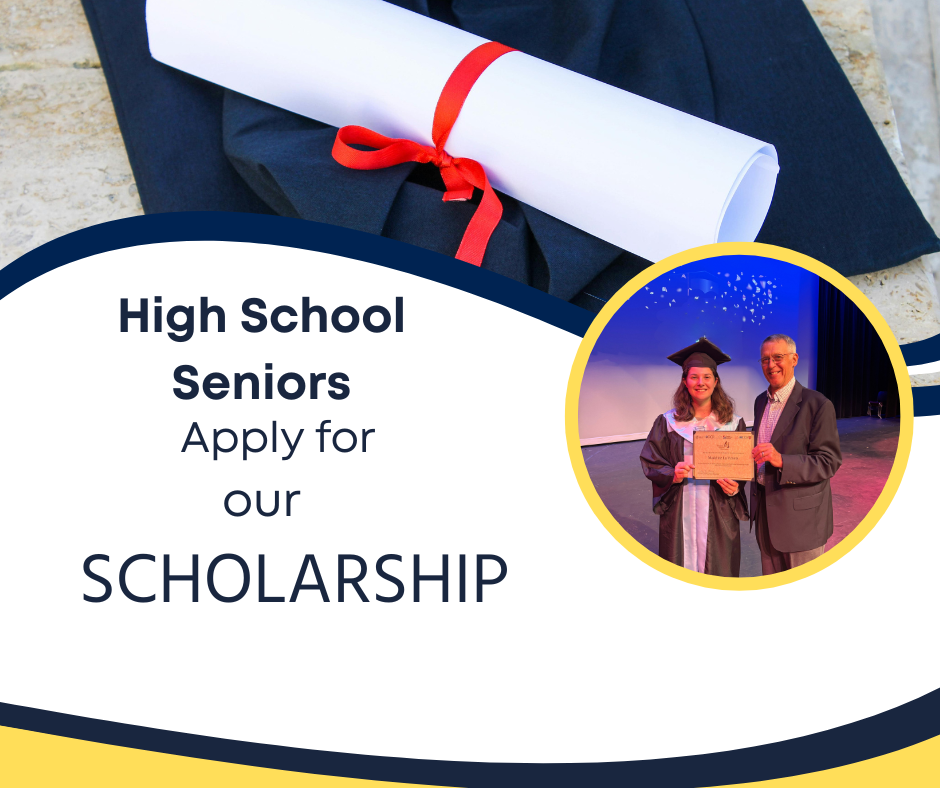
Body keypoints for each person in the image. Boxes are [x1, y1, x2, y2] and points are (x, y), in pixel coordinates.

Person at [640, 338, 749, 577]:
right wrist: (672, 473)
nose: (701, 383)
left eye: (707, 377)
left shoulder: (733, 424)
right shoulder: (668, 423)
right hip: (681, 507)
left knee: (719, 570)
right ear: (684, 381)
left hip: (719, 509)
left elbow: (742, 467)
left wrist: (734, 487)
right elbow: (652, 461)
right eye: (694, 377)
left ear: (716, 381)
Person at [750, 334, 842, 574]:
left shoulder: (818, 404)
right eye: (765, 359)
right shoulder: (760, 401)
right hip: (766, 515)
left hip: (802, 522)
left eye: (778, 357)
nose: (771, 365)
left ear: (794, 359)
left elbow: (828, 462)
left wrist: (782, 460)